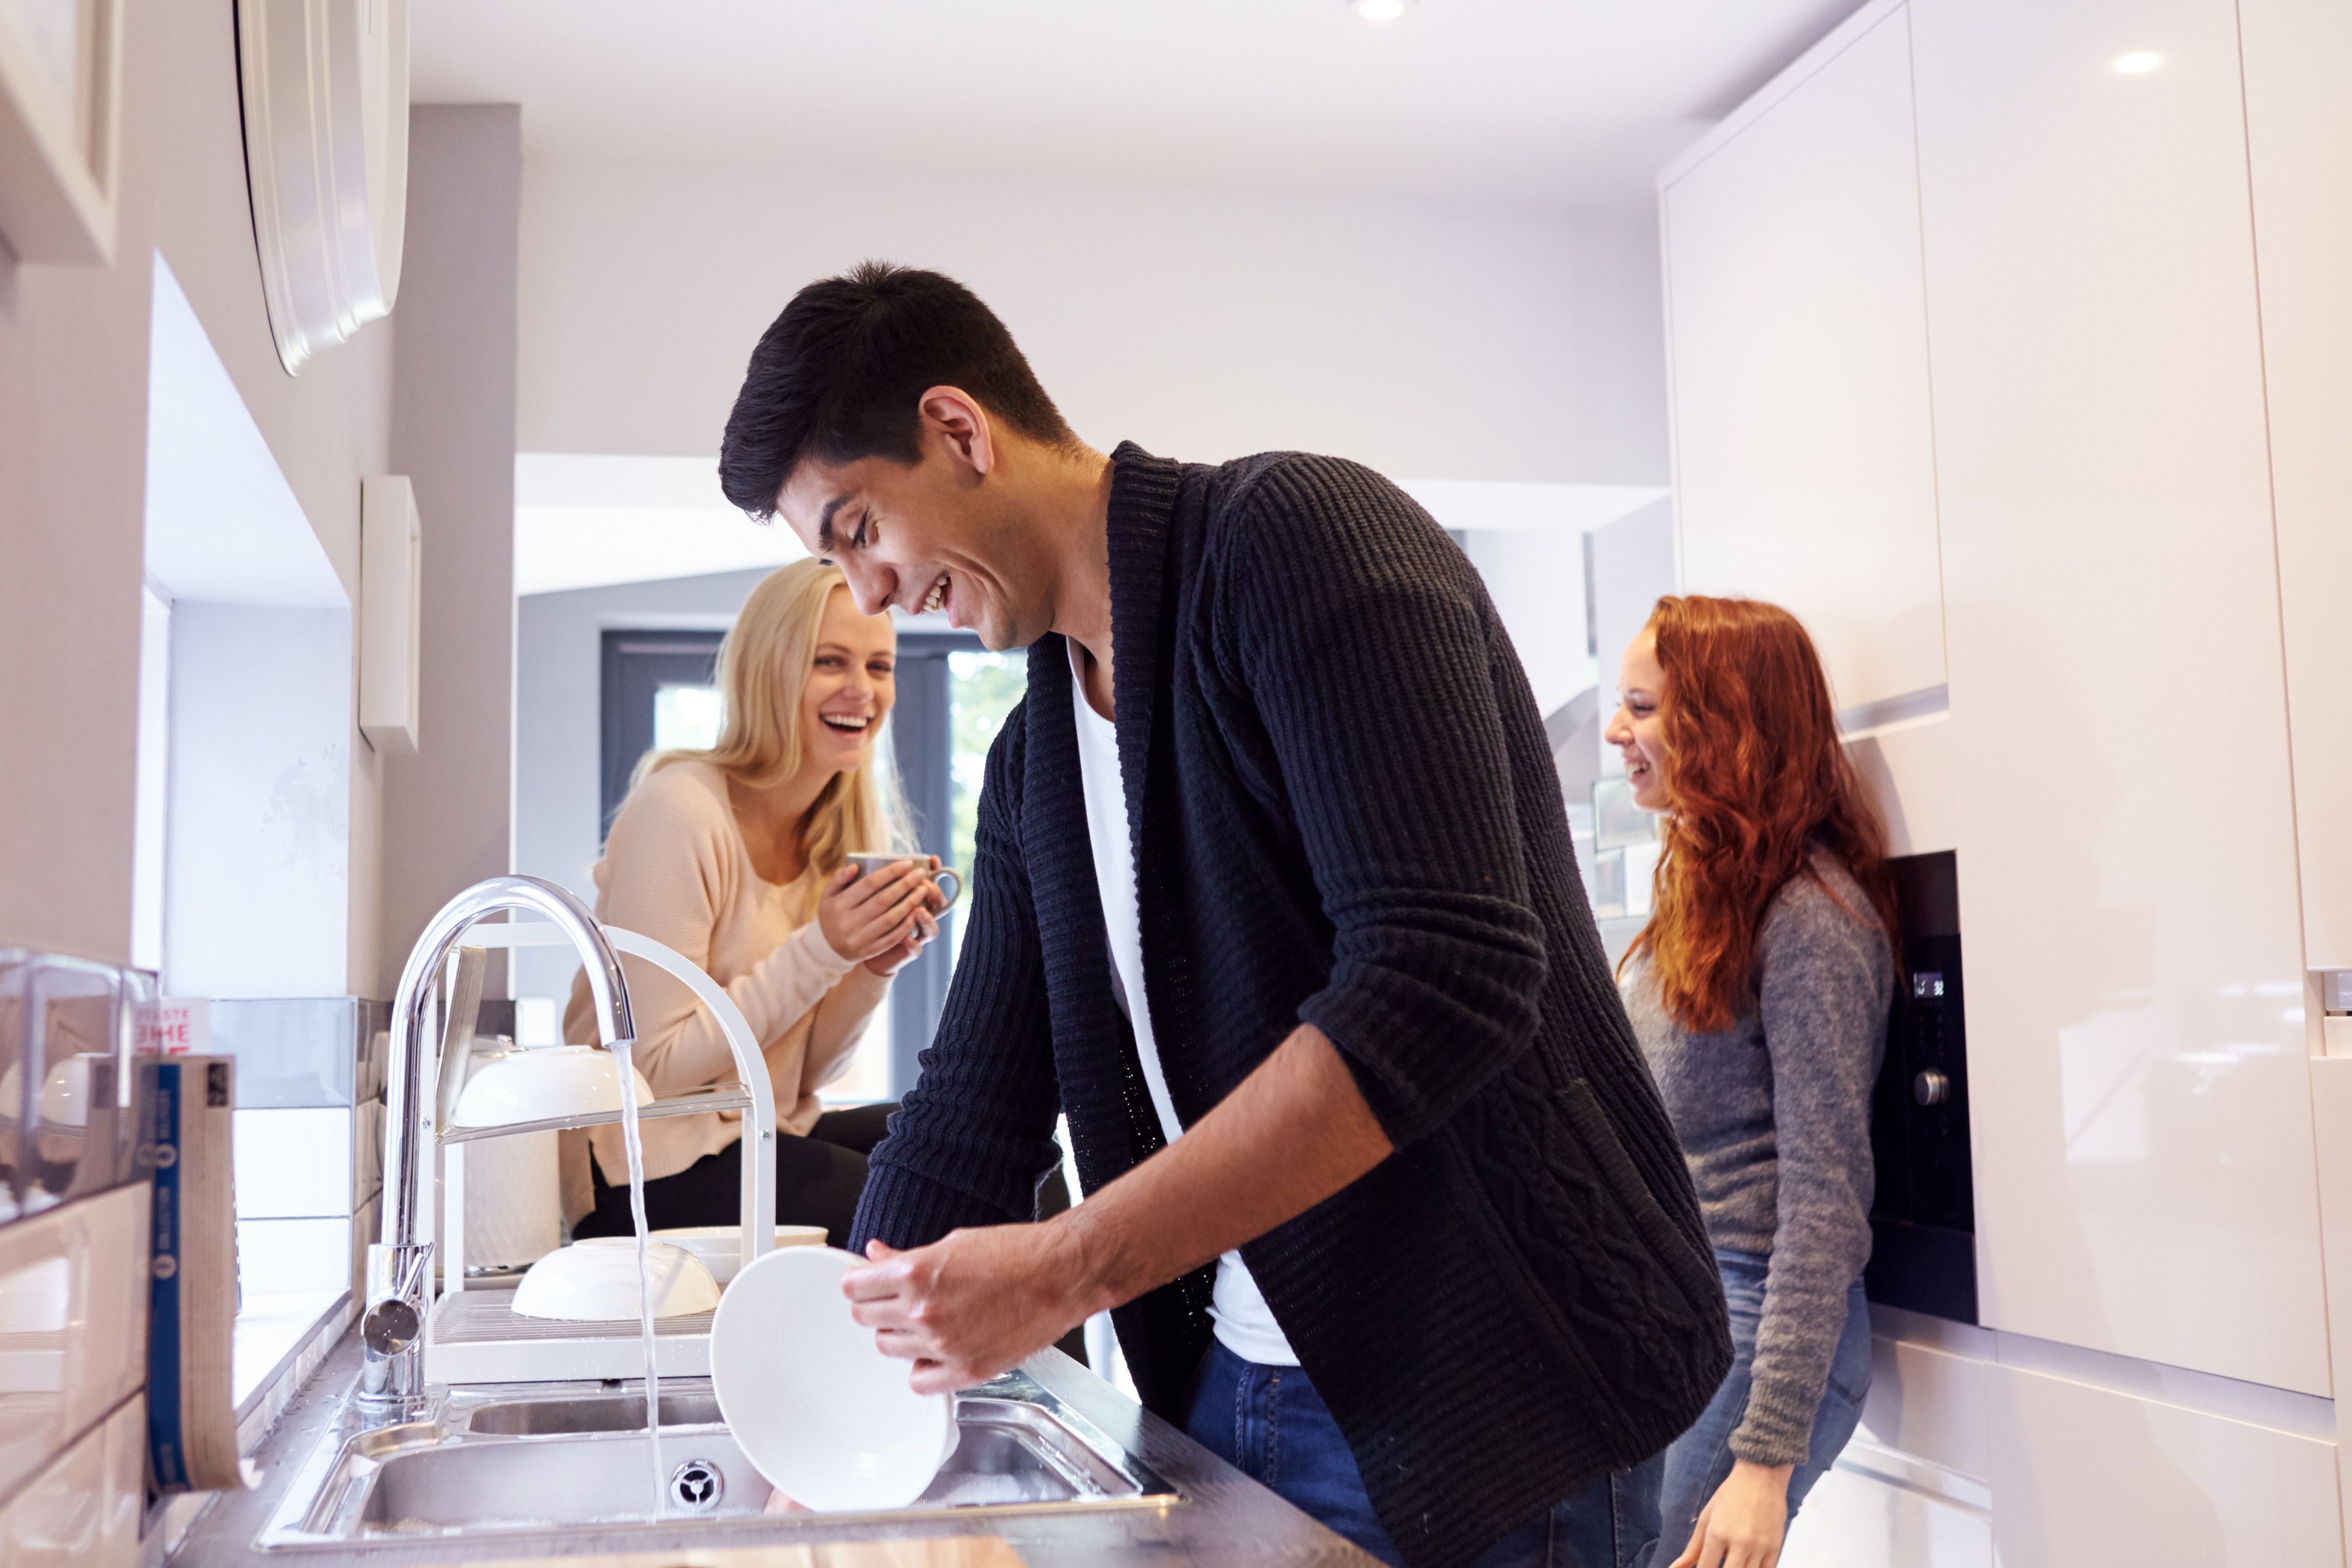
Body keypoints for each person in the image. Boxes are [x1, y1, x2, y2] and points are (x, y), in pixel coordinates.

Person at [715, 261, 1733, 1568]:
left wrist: (1069, 1263)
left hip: (1480, 1383)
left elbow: (1440, 978)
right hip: (1225, 1394)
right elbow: (973, 1104)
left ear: (958, 430)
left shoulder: (1296, 542)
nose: (864, 593)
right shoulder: (1032, 762)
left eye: (856, 529)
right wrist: (830, 1400)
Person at [1603, 597, 1897, 1568]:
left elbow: (1822, 1206)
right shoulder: (1694, 904)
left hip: (1752, 1331)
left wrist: (1763, 1460)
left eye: (1642, 708)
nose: (1616, 732)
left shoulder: (1810, 921)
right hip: (1683, 1315)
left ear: (1721, 723)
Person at [560, 558, 944, 1248]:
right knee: (892, 1198)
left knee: (993, 1155)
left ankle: (1027, 1363)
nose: (863, 691)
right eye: (831, 662)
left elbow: (806, 1076)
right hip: (641, 1163)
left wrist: (869, 966)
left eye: (879, 666)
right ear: (770, 671)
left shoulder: (837, 836)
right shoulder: (679, 810)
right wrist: (823, 949)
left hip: (759, 1126)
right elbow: (652, 1069)